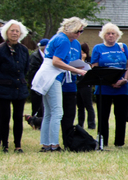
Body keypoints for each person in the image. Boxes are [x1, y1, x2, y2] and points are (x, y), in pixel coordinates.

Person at [36, 17, 89, 153]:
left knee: (48, 112)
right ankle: (54, 144)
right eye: (77, 31)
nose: (79, 34)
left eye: (81, 32)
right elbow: (56, 61)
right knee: (57, 112)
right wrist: (77, 70)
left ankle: (46, 144)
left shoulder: (57, 37)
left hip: (46, 75)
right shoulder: (64, 40)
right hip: (54, 76)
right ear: (68, 29)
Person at [0, 19, 31, 153]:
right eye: (12, 30)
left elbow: (26, 68)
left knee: (18, 117)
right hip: (2, 88)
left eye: (17, 31)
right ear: (6, 32)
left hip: (19, 88)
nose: (14, 33)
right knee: (4, 117)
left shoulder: (23, 50)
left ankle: (18, 145)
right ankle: (4, 144)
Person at [91, 23, 128, 147]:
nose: (110, 36)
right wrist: (109, 81)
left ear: (117, 35)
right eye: (108, 33)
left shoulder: (122, 47)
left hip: (121, 87)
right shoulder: (98, 48)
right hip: (104, 88)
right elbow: (95, 68)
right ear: (103, 35)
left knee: (121, 116)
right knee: (103, 116)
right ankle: (103, 142)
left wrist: (125, 79)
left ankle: (119, 142)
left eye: (113, 33)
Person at [76, 42, 96, 129]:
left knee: (88, 105)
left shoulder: (89, 60)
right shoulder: (76, 60)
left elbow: (90, 71)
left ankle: (91, 124)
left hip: (86, 85)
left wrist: (83, 60)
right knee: (80, 106)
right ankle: (80, 124)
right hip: (78, 84)